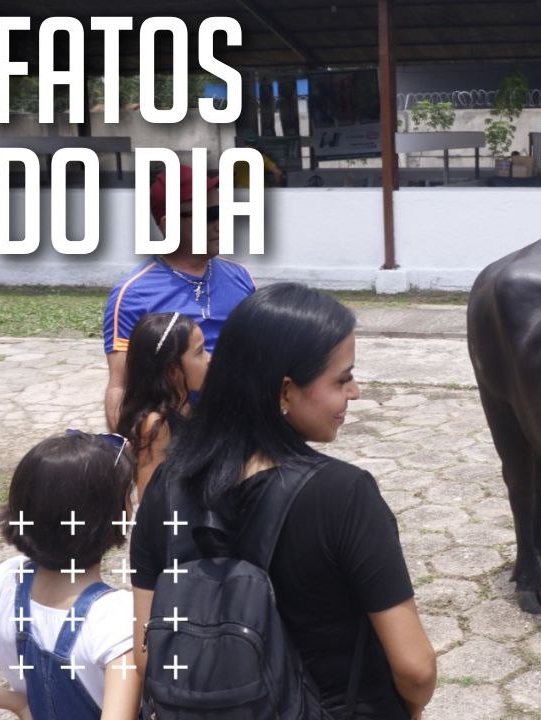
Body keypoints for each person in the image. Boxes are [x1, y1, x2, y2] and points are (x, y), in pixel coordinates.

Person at [131, 283, 437, 719]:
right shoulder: (343, 495)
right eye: (342, 378)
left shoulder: (164, 486)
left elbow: (147, 654)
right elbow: (415, 668)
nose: (355, 391)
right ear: (285, 392)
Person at [0, 432, 139, 719]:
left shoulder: (7, 581)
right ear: (116, 516)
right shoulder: (117, 619)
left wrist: (15, 702)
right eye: (129, 495)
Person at [103, 165, 256, 430]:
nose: (220, 223)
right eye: (209, 215)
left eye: (222, 211)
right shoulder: (133, 294)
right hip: (176, 439)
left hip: (241, 429)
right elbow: (121, 386)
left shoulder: (240, 277)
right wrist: (134, 453)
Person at [115, 312, 209, 501]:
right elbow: (149, 495)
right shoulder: (155, 425)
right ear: (173, 371)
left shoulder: (187, 406)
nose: (209, 358)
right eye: (200, 352)